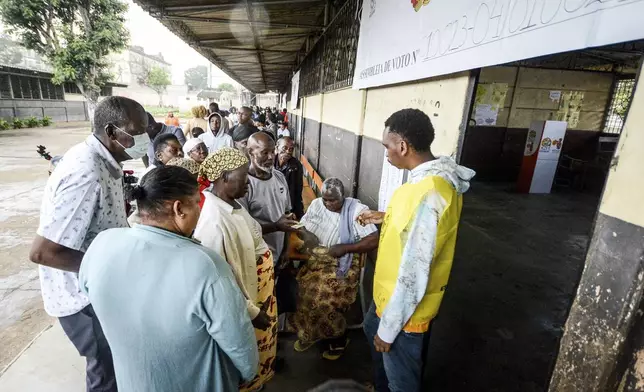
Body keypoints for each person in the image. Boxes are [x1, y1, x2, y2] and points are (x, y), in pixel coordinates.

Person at [79, 166, 259, 392]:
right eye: (196, 203)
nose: (199, 210)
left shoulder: (102, 244)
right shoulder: (206, 266)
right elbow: (238, 342)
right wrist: (248, 372)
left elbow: (88, 292)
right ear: (179, 208)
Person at [28, 96, 149, 392]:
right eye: (137, 132)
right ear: (111, 131)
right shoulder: (87, 173)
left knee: (115, 366)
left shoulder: (104, 161)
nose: (144, 139)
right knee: (106, 373)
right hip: (82, 299)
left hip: (96, 290)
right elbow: (43, 251)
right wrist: (107, 270)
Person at [358, 109, 475, 392]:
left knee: (401, 378)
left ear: (402, 146)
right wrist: (387, 216)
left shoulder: (432, 193)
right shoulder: (427, 180)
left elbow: (414, 271)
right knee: (370, 331)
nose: (385, 151)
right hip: (387, 295)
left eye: (387, 145)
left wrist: (389, 330)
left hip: (405, 310)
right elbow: (418, 227)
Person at [195, 148, 278, 392]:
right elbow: (222, 281)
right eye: (243, 179)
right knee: (246, 359)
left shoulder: (232, 205)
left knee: (260, 356)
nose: (248, 185)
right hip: (248, 304)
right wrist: (253, 312)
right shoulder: (214, 222)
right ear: (223, 178)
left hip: (260, 293)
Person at [291, 178, 378, 360]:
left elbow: (373, 238)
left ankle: (338, 338)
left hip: (343, 262)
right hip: (318, 258)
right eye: (326, 199)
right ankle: (311, 333)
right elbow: (302, 226)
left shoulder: (356, 211)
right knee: (301, 289)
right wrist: (308, 235)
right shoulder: (316, 205)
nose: (328, 204)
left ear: (343, 197)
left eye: (333, 200)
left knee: (324, 295)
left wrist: (345, 248)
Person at [238, 132, 299, 263]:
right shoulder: (243, 185)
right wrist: (276, 226)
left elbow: (286, 215)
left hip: (279, 252)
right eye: (265, 153)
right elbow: (243, 229)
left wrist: (286, 249)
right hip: (257, 259)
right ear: (250, 152)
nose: (271, 157)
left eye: (272, 151)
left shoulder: (279, 177)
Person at [274, 137, 304, 219]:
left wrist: (298, 213)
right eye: (285, 148)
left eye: (291, 149)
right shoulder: (270, 162)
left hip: (287, 204)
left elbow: (297, 191)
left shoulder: (296, 166)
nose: (288, 152)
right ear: (277, 148)